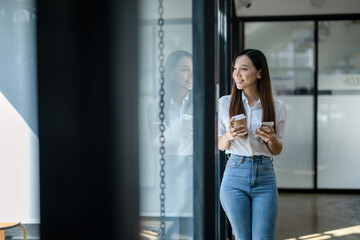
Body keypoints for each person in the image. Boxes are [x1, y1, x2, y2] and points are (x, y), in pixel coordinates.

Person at [218, 49, 286, 240]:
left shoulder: (276, 105)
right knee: (242, 237)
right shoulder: (225, 103)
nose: (236, 75)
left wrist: (271, 139)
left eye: (243, 69)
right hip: (234, 174)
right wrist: (229, 135)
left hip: (265, 176)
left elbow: (278, 149)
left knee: (263, 237)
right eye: (234, 69)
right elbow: (220, 145)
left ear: (259, 73)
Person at [147, 50, 193, 239]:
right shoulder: (156, 105)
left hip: (192, 164)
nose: (190, 75)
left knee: (192, 226)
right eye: (184, 69)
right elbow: (154, 144)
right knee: (170, 228)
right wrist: (173, 134)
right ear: (172, 73)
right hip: (168, 166)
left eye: (193, 69)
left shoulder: (201, 102)